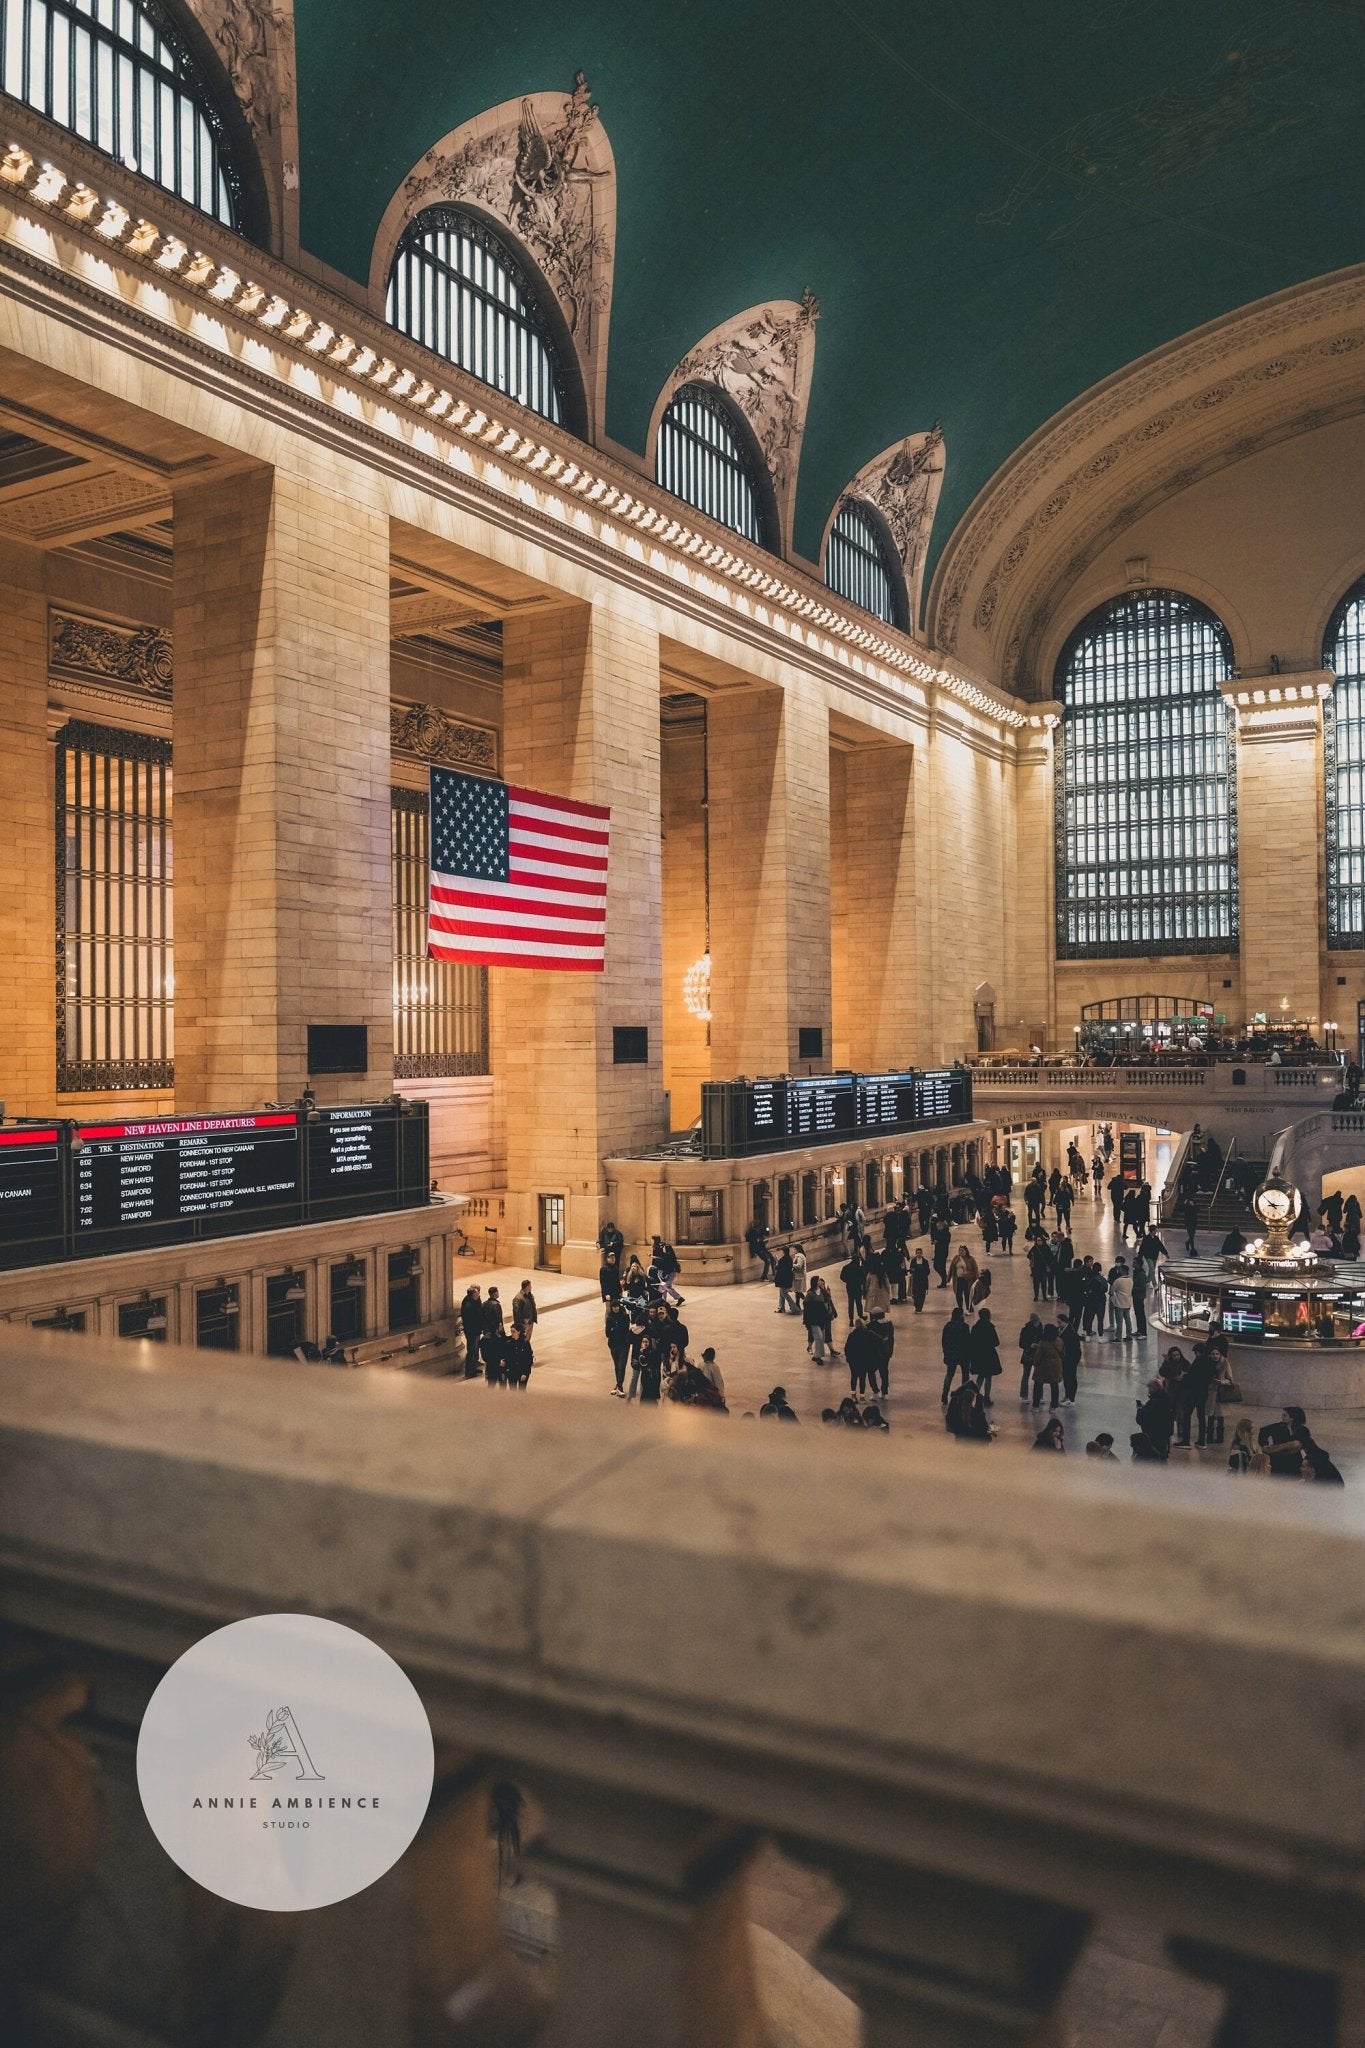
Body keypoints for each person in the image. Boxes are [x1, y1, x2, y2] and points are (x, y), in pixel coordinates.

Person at [1174, 1344, 1218, 1448]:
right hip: (1203, 1393)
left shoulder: (1198, 1361)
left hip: (1193, 1393)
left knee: (1187, 1415)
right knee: (1201, 1417)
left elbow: (1192, 1376)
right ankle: (1201, 1442)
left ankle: (1185, 1441)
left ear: (1198, 1352)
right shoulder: (1211, 1362)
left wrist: (1183, 1376)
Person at [1258, 1406, 1309, 1476]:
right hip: (1278, 1460)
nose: (1282, 1417)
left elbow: (1305, 1445)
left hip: (1295, 1461)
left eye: (1285, 1415)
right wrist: (1264, 1445)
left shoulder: (1303, 1430)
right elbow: (1263, 1431)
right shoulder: (1277, 1427)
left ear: (1292, 1418)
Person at [967, 1306, 1001, 1404]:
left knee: (980, 1376)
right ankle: (986, 1397)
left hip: (978, 1355)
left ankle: (975, 1396)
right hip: (989, 1354)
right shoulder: (990, 1327)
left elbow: (971, 1342)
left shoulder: (975, 1327)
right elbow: (996, 1342)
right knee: (988, 1377)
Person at [940, 1306, 972, 1405]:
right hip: (963, 1354)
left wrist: (945, 1352)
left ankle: (944, 1395)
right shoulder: (965, 1327)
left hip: (951, 1354)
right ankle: (964, 1396)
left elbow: (944, 1341)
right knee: (965, 1375)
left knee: (949, 1374)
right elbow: (968, 1342)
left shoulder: (948, 1326)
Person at [1136, 1378, 1175, 1459]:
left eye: (1149, 1388)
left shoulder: (1154, 1402)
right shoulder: (1167, 1399)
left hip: (1154, 1434)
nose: (1148, 1391)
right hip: (1165, 1433)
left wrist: (1140, 1410)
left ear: (1153, 1389)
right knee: (1162, 1453)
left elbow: (1141, 1419)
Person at [1030, 1324, 1064, 1410]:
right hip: (1056, 1366)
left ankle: (1036, 1406)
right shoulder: (1059, 1341)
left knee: (1038, 1385)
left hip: (1043, 1367)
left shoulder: (1043, 1342)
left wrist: (1035, 1363)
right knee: (1054, 1386)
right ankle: (1053, 1406)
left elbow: (1038, 1356)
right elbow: (1063, 1353)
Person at [605, 1299, 633, 1396]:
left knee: (622, 1365)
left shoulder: (625, 1316)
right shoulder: (609, 1318)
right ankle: (618, 1385)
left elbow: (624, 1330)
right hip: (613, 1344)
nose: (616, 1308)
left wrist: (614, 1328)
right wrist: (615, 1329)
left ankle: (619, 1386)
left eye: (617, 1306)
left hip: (623, 1344)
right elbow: (607, 1333)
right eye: (614, 1307)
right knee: (616, 1366)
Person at [948, 1243, 979, 1313]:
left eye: (962, 1250)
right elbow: (951, 1268)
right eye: (960, 1251)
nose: (961, 1252)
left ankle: (968, 1307)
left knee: (967, 1294)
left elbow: (975, 1269)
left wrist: (976, 1279)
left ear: (966, 1251)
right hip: (958, 1279)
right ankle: (960, 1308)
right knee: (958, 1294)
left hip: (967, 1280)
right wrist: (948, 1278)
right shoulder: (956, 1258)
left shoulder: (971, 1259)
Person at [1109, 1264, 1134, 1343]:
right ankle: (1129, 1335)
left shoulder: (1118, 1281)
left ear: (1123, 1271)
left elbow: (1111, 1291)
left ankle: (1118, 1337)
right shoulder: (1130, 1280)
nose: (1118, 1271)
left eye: (1120, 1270)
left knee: (1119, 1322)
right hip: (1128, 1302)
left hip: (1119, 1303)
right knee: (1128, 1320)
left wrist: (1113, 1299)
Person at [1060, 1318, 1083, 1404]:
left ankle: (1071, 1398)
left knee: (1071, 1377)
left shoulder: (1071, 1333)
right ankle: (1067, 1396)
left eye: (1060, 1322)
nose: (1058, 1324)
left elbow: (1073, 1348)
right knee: (1066, 1377)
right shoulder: (1064, 1330)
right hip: (1067, 1358)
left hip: (1071, 1358)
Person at [773, 1245, 797, 1314]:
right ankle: (781, 1308)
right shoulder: (789, 1259)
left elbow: (778, 1268)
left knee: (784, 1294)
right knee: (781, 1294)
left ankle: (794, 1308)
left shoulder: (782, 1260)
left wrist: (777, 1263)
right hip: (788, 1278)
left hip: (782, 1279)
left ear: (783, 1251)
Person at [908, 1248, 931, 1312]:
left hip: (923, 1281)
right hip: (915, 1281)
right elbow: (911, 1269)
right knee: (915, 1294)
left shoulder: (925, 1261)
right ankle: (916, 1305)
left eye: (920, 1253)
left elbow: (928, 1271)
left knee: (922, 1294)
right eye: (917, 1253)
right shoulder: (913, 1261)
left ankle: (920, 1307)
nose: (919, 1254)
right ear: (916, 1253)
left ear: (922, 1253)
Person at [932, 1216, 952, 1288]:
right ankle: (945, 1277)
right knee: (936, 1266)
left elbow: (945, 1242)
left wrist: (937, 1241)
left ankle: (944, 1281)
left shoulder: (947, 1233)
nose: (937, 1226)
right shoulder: (938, 1232)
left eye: (938, 1226)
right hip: (937, 1251)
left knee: (942, 1266)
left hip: (943, 1251)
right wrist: (934, 1240)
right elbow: (934, 1237)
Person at [1182, 1191, 1199, 1256]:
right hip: (1188, 1222)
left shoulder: (1193, 1204)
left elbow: (1197, 1210)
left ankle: (1187, 1242)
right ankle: (1192, 1248)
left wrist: (1193, 1205)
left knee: (1192, 1234)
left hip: (1194, 1221)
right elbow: (1181, 1209)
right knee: (1191, 1235)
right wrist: (1184, 1203)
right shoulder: (1186, 1205)